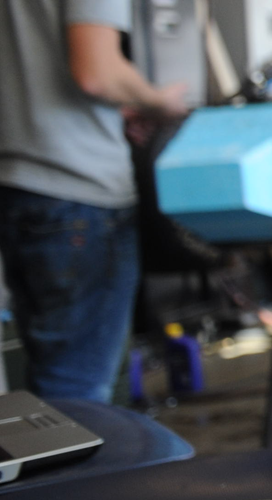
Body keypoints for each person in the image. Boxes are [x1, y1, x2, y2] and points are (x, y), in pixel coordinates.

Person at [0, 1, 189, 403]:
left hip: (15, 181)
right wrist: (157, 101)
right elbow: (96, 73)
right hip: (76, 187)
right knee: (77, 393)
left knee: (47, 376)